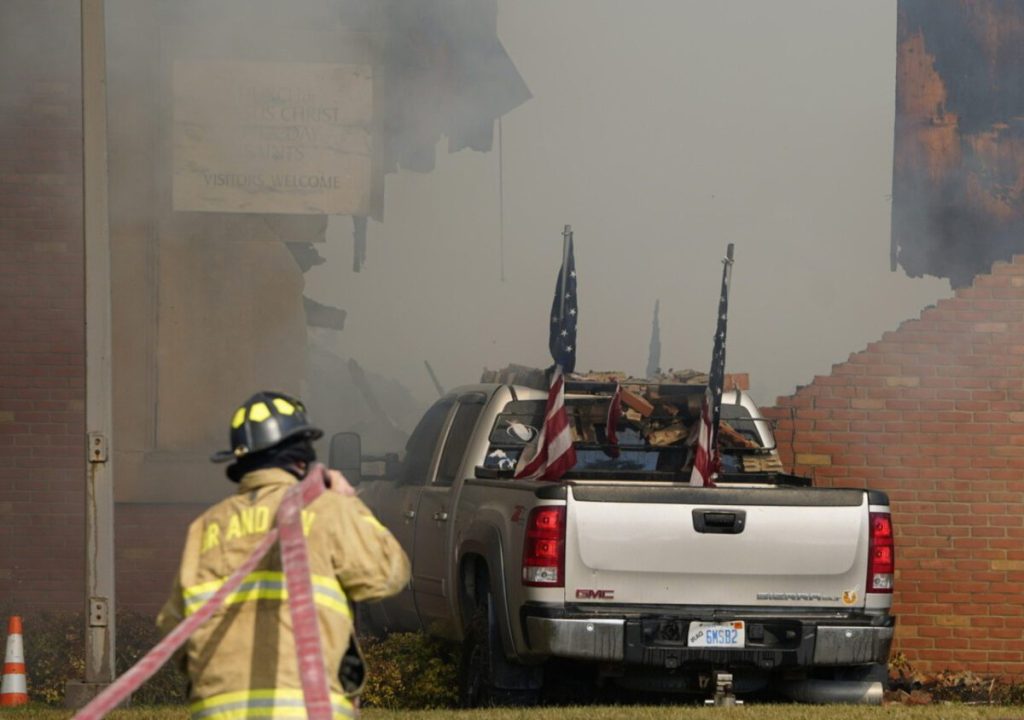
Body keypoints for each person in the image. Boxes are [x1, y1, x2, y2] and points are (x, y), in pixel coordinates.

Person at [157, 391, 410, 720]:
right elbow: (387, 576)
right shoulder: (327, 509)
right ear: (301, 458)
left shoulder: (205, 529)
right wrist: (349, 502)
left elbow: (173, 631)